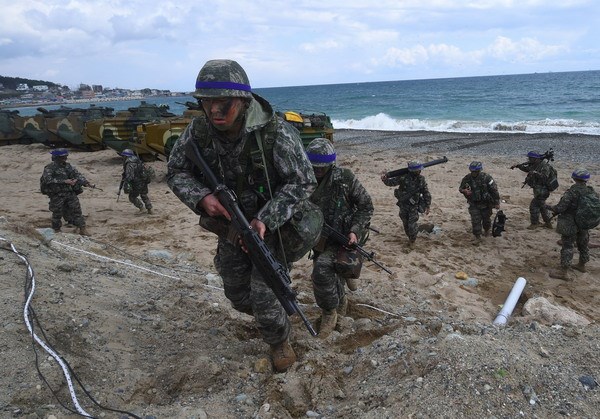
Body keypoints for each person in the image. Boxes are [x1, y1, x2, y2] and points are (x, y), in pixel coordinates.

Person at [166, 59, 317, 372]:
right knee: (236, 292)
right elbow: (176, 170)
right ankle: (270, 316)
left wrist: (266, 218)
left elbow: (304, 180)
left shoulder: (275, 133)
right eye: (207, 104)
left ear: (244, 101)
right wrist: (202, 198)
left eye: (225, 104)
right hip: (230, 227)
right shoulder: (199, 132)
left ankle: (279, 341)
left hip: (271, 227)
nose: (215, 112)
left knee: (266, 292)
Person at [306, 138, 373, 338]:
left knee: (322, 270)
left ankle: (329, 312)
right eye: (314, 167)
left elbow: (366, 206)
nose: (317, 171)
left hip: (346, 236)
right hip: (319, 238)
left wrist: (355, 230)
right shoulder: (301, 180)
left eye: (321, 168)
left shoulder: (345, 178)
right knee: (325, 271)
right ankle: (340, 298)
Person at [548, 168, 595, 280]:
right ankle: (582, 265)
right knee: (583, 243)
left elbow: (560, 208)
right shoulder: (591, 191)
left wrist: (549, 207)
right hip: (584, 222)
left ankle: (564, 272)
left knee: (568, 246)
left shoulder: (572, 192)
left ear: (574, 178)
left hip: (571, 223)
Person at [40, 148, 91, 235]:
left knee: (77, 211)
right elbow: (48, 180)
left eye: (65, 157)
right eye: (62, 157)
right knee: (57, 213)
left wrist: (85, 182)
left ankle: (82, 228)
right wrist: (64, 181)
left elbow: (77, 174)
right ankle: (56, 229)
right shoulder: (50, 168)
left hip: (70, 193)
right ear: (56, 158)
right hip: (57, 194)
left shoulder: (68, 166)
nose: (64, 159)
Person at [381, 160, 431, 247]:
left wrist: (428, 205)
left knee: (412, 225)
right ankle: (410, 237)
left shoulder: (421, 179)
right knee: (406, 223)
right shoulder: (403, 177)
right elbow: (391, 183)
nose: (420, 171)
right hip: (403, 205)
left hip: (414, 206)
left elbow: (426, 192)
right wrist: (384, 179)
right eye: (418, 170)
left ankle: (412, 241)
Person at [511, 151, 556, 229]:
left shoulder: (544, 166)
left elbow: (544, 177)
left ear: (535, 159)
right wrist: (518, 166)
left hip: (543, 190)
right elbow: (527, 169)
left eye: (530, 158)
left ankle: (535, 223)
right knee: (542, 206)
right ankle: (548, 223)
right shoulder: (535, 165)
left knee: (534, 205)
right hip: (539, 189)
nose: (529, 159)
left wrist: (536, 173)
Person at [458, 161, 500, 243]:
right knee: (475, 220)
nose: (473, 173)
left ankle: (487, 230)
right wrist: (464, 191)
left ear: (479, 171)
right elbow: (460, 188)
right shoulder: (467, 178)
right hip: (474, 203)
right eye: (472, 171)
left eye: (475, 171)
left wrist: (496, 202)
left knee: (486, 221)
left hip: (486, 204)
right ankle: (477, 236)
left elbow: (494, 190)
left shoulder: (487, 178)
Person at [120, 149, 153, 214]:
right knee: (144, 195)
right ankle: (150, 209)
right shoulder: (138, 160)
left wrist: (127, 183)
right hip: (144, 180)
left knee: (132, 197)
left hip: (136, 182)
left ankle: (141, 208)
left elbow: (130, 176)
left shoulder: (129, 163)